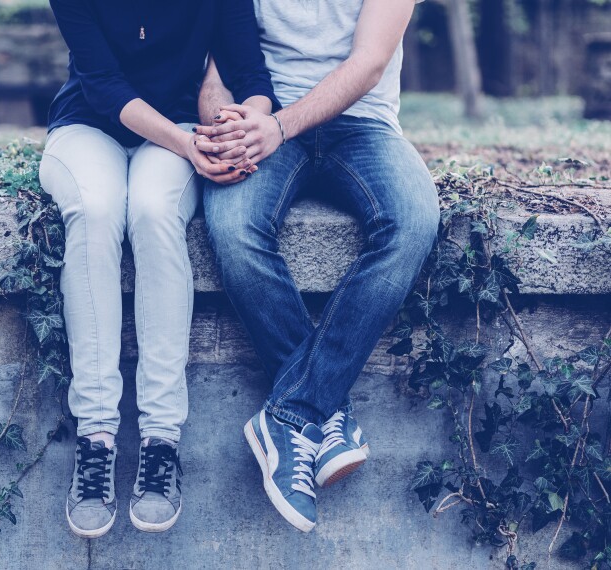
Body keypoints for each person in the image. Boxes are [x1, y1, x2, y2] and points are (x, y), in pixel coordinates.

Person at [196, 0, 440, 532]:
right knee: (235, 228)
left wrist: (279, 127)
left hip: (363, 124)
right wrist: (224, 124)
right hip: (264, 116)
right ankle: (325, 410)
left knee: (414, 220)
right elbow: (217, 62)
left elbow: (369, 64)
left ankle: (290, 414)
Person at [40, 0, 276, 538]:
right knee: (96, 211)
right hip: (87, 127)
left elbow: (252, 73)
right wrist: (189, 146)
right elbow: (103, 86)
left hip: (181, 130)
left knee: (152, 211)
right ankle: (96, 437)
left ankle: (161, 439)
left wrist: (249, 120)